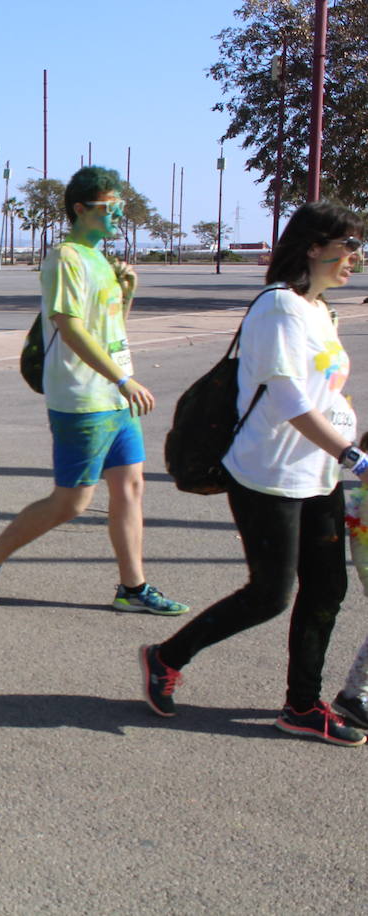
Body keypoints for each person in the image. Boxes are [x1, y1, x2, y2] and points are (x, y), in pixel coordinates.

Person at [141, 201, 367, 746]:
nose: (355, 258)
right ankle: (166, 656)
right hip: (267, 474)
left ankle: (301, 706)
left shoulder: (318, 311)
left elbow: (323, 394)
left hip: (318, 473)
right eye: (348, 246)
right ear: (314, 247)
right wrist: (354, 456)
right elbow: (289, 398)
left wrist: (346, 444)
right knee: (270, 594)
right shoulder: (279, 308)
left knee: (327, 588)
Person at [0, 166, 188, 616]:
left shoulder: (100, 259)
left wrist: (128, 293)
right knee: (72, 501)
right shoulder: (66, 257)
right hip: (84, 398)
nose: (118, 214)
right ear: (81, 209)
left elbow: (109, 328)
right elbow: (68, 327)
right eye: (109, 207)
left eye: (120, 206)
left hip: (115, 397)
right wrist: (121, 379)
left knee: (130, 487)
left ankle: (133, 587)